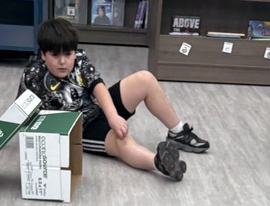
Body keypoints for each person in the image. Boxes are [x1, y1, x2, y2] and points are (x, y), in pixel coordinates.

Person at [18, 18, 210, 182]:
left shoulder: (79, 60)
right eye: (55, 55)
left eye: (68, 54)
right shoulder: (33, 75)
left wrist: (112, 116)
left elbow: (98, 86)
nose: (63, 61)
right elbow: (21, 114)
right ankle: (159, 162)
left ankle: (178, 132)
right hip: (80, 129)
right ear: (43, 54)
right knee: (122, 140)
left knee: (145, 79)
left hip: (98, 108)